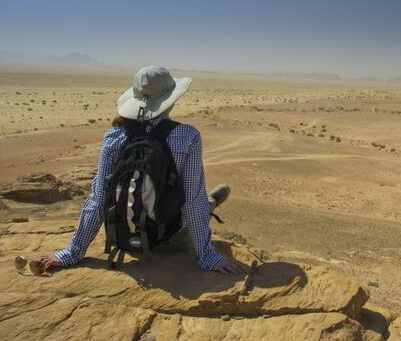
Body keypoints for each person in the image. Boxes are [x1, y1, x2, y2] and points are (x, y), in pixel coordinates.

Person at [39, 66, 248, 274]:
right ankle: (212, 202)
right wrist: (207, 256)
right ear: (170, 100)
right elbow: (192, 201)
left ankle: (212, 201)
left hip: (124, 240)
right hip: (169, 240)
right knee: (201, 200)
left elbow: (98, 199)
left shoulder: (113, 137)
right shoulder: (187, 137)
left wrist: (72, 253)